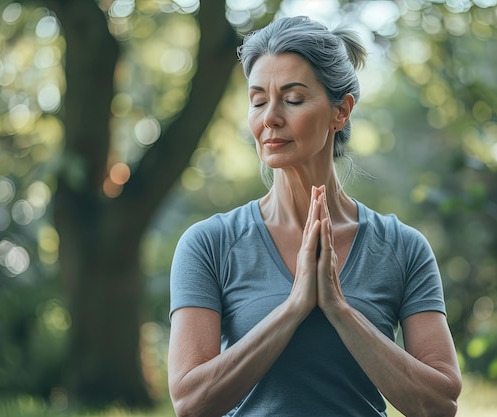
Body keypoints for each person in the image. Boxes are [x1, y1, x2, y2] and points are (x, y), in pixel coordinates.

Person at [167, 15, 462, 417]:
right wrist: (294, 307)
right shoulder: (208, 244)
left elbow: (440, 404)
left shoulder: (403, 248)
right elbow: (189, 402)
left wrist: (339, 309)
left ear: (341, 111)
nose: (270, 116)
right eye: (257, 101)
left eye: (292, 99)